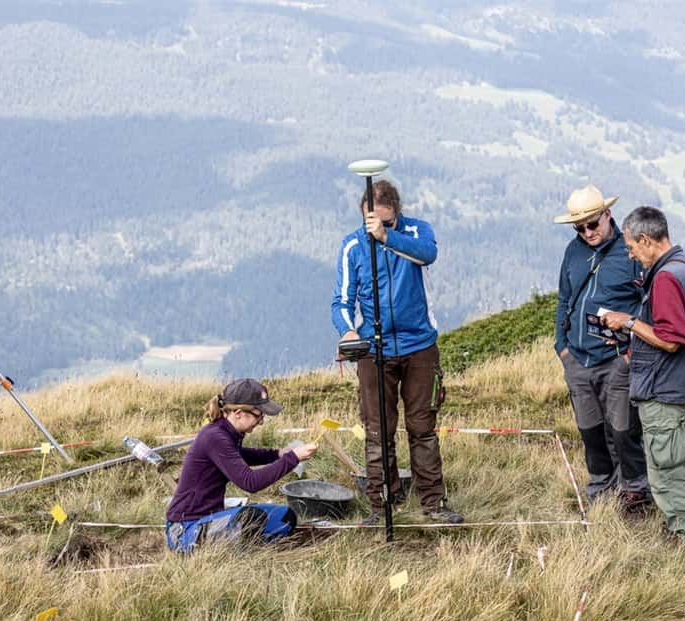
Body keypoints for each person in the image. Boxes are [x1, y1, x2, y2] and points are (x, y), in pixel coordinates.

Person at [331, 179, 463, 525]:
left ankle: (433, 504)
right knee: (378, 431)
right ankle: (381, 506)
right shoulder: (352, 247)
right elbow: (342, 300)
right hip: (374, 350)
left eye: (385, 222)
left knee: (423, 428)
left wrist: (388, 237)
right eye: (370, 223)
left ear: (396, 213)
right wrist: (346, 330)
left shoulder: (417, 232)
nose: (375, 228)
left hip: (419, 346)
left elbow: (427, 255)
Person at [601, 206, 685, 541]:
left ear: (646, 240)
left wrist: (629, 322)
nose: (632, 254)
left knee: (668, 470)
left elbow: (672, 338)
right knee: (671, 463)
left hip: (665, 389)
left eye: (632, 248)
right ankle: (680, 529)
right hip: (678, 385)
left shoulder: (666, 277)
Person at [553, 185, 652, 516]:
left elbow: (649, 303)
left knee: (624, 430)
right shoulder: (572, 251)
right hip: (577, 360)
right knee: (590, 430)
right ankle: (601, 487)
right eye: (579, 228)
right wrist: (562, 348)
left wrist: (629, 351)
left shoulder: (631, 253)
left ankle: (635, 490)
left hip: (617, 360)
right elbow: (564, 299)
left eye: (592, 224)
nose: (587, 232)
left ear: (607, 215)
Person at [165, 378, 317, 552]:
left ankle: (244, 545)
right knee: (251, 518)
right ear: (238, 412)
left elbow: (240, 456)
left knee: (285, 517)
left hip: (211, 519)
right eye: (258, 414)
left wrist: (277, 454)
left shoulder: (225, 432)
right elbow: (250, 483)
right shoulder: (215, 436)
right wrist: (293, 458)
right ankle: (235, 548)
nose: (261, 421)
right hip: (185, 529)